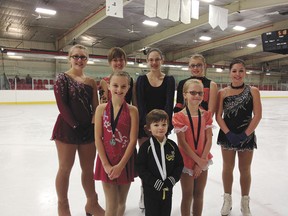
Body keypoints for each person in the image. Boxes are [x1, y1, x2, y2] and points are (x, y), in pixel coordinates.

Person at [51, 44, 104, 216]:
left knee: (88, 170)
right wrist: (75, 125)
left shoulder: (90, 82)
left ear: (87, 60)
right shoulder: (62, 78)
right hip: (67, 128)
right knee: (65, 168)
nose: (79, 60)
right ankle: (63, 207)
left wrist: (94, 125)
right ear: (69, 58)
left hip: (87, 131)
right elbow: (62, 105)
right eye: (76, 56)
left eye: (83, 57)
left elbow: (95, 107)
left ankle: (92, 203)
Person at [216, 59, 262, 216]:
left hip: (246, 135)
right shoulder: (222, 93)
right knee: (227, 168)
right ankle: (227, 200)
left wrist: (245, 134)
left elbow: (258, 115)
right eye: (234, 71)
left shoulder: (253, 91)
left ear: (245, 72)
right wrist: (228, 133)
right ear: (229, 73)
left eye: (241, 70)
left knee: (245, 169)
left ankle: (245, 201)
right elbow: (218, 116)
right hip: (227, 135)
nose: (237, 74)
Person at [135, 47, 175, 209]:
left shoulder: (169, 80)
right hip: (145, 127)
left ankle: (157, 192)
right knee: (146, 161)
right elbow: (140, 103)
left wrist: (162, 125)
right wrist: (147, 125)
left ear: (162, 60)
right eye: (151, 59)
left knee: (159, 161)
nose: (154, 62)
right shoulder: (142, 80)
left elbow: (168, 103)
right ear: (147, 62)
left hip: (161, 127)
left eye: (157, 59)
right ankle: (145, 191)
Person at [94, 71, 139, 216]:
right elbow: (98, 138)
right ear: (108, 85)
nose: (119, 89)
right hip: (106, 160)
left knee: (121, 202)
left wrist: (121, 165)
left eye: (123, 86)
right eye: (115, 85)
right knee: (111, 205)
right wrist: (106, 165)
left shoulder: (132, 111)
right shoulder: (101, 109)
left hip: (125, 162)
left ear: (128, 88)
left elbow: (133, 140)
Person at [173, 79, 214, 216]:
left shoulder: (206, 115)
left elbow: (209, 139)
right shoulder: (179, 117)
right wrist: (197, 161)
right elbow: (182, 143)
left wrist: (202, 161)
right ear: (185, 95)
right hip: (186, 160)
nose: (197, 96)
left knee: (199, 194)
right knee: (187, 195)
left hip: (203, 158)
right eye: (193, 92)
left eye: (200, 93)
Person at [136, 109, 184, 216]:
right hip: (151, 191)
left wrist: (172, 179)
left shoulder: (172, 146)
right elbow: (140, 168)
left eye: (164, 124)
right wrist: (152, 181)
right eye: (156, 125)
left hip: (167, 190)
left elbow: (179, 165)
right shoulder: (146, 147)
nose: (161, 128)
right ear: (148, 128)